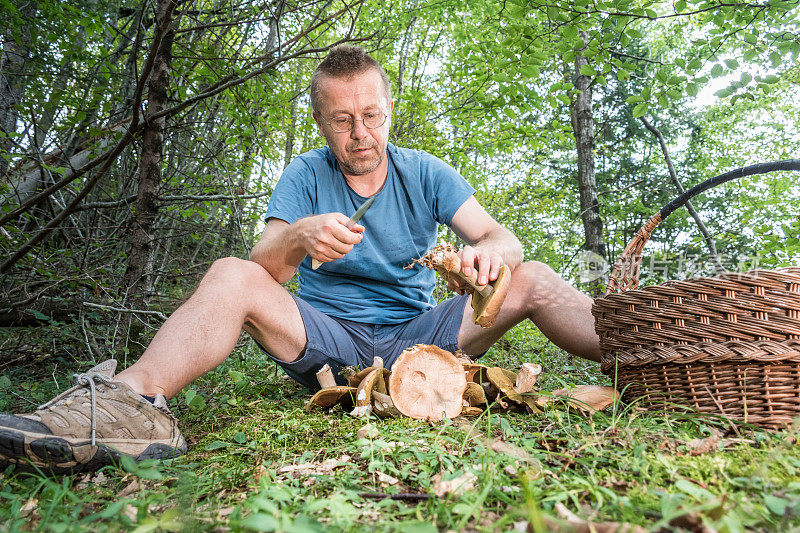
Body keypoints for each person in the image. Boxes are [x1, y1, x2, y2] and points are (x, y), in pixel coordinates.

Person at [0, 45, 601, 474]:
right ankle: (130, 404)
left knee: (535, 279)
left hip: (424, 339)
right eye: (342, 120)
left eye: (371, 116)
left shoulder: (426, 172)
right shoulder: (304, 174)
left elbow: (502, 237)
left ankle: (646, 354)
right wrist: (300, 237)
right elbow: (266, 266)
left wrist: (486, 256)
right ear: (320, 121)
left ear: (389, 110)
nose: (360, 133)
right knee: (231, 273)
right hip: (329, 343)